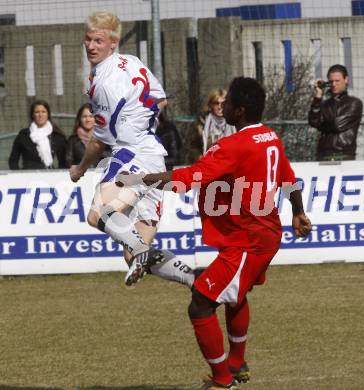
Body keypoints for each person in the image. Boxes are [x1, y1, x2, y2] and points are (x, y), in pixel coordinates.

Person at [117, 77, 312, 389]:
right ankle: (237, 363)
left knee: (201, 303)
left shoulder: (233, 145)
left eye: (230, 103)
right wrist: (299, 212)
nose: (225, 108)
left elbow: (189, 177)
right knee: (235, 296)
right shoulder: (269, 137)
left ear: (240, 110)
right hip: (258, 235)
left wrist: (140, 180)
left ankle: (222, 380)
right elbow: (289, 177)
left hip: (249, 240)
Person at [69, 11, 168, 284]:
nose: (91, 46)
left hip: (133, 154)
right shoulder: (132, 62)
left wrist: (79, 168)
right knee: (132, 256)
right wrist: (141, 123)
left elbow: (99, 142)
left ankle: (142, 251)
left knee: (97, 214)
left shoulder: (103, 83)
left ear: (113, 43)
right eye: (87, 40)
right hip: (155, 157)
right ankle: (190, 278)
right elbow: (160, 100)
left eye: (98, 41)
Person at [308, 64, 363, 161]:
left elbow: (337, 125)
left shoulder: (354, 103)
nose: (334, 84)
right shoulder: (325, 103)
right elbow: (313, 122)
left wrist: (321, 125)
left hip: (343, 155)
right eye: (331, 81)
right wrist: (318, 97)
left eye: (337, 81)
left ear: (346, 80)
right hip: (323, 155)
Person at [8, 100, 67, 169]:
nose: (40, 115)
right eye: (37, 112)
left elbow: (64, 162)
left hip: (49, 176)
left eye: (43, 112)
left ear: (48, 114)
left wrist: (58, 176)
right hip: (28, 176)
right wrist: (19, 176)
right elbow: (13, 161)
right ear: (32, 115)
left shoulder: (56, 136)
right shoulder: (23, 135)